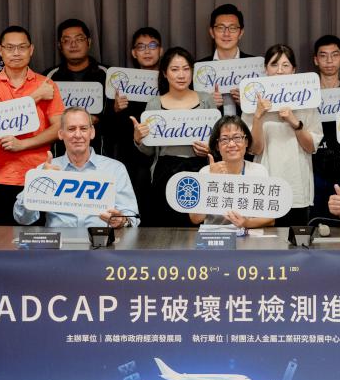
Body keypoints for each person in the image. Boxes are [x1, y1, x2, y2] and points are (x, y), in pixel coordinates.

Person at [0, 25, 65, 225]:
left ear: (31, 50)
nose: (16, 52)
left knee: (34, 239)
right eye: (10, 47)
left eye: (22, 47)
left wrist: (23, 144)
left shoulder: (47, 84)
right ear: (0, 50)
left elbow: (58, 128)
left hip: (37, 175)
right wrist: (35, 97)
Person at [13, 107, 139, 229]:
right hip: (59, 241)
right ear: (61, 134)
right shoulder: (46, 169)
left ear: (92, 132)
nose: (78, 135)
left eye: (83, 129)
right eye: (71, 129)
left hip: (101, 241)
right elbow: (22, 218)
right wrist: (38, 181)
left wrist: (122, 221)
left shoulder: (115, 169)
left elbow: (132, 218)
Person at [133, 47, 216, 227]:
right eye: (175, 69)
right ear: (164, 73)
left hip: (200, 169)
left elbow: (219, 140)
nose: (181, 75)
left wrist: (210, 149)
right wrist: (139, 138)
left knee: (199, 226)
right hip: (165, 171)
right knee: (167, 227)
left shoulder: (206, 100)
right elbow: (149, 151)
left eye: (186, 69)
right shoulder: (154, 104)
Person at [243, 44, 322, 226]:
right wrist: (258, 116)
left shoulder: (307, 101)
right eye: (274, 64)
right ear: (266, 69)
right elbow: (255, 149)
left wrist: (295, 123)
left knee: (296, 237)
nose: (279, 70)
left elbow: (311, 147)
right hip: (265, 182)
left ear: (293, 70)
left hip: (297, 183)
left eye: (285, 65)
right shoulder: (252, 105)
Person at [110, 27, 163, 225]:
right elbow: (111, 131)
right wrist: (116, 110)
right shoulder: (121, 85)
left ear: (161, 50)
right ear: (133, 53)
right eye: (141, 47)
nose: (147, 51)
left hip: (163, 158)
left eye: (152, 46)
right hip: (133, 160)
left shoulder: (172, 80)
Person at [189, 116, 274, 229]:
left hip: (248, 234)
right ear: (217, 145)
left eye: (237, 138)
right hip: (215, 235)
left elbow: (270, 219)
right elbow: (195, 219)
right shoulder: (206, 172)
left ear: (246, 142)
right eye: (224, 139)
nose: (231, 144)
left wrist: (246, 223)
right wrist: (212, 182)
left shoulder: (259, 171)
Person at [44, 18, 109, 155]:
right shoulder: (49, 78)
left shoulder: (108, 75)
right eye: (67, 40)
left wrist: (99, 119)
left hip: (100, 154)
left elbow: (118, 122)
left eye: (79, 39)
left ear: (89, 42)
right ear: (60, 46)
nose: (73, 44)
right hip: (60, 155)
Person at [311, 35, 340, 216]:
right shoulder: (306, 93)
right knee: (314, 217)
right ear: (316, 60)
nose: (329, 61)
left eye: (335, 55)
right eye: (323, 55)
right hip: (312, 164)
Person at [198, 3, 254, 115]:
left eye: (233, 28)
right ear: (212, 32)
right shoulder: (199, 68)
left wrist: (248, 103)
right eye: (220, 28)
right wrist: (208, 104)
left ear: (241, 33)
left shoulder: (255, 66)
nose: (226, 34)